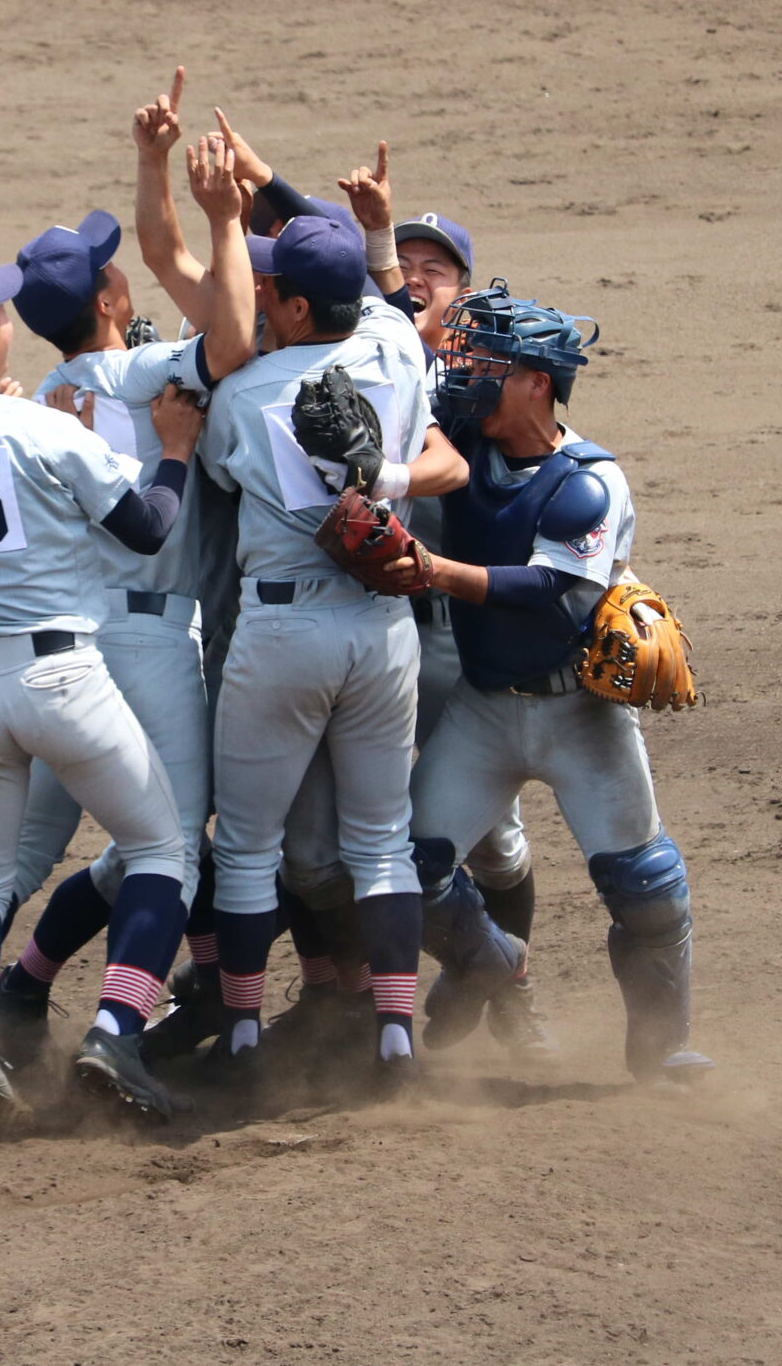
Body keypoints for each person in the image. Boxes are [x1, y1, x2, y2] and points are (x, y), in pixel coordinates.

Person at [0, 250, 202, 1121]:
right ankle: (116, 1026)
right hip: (63, 677)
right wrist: (171, 450)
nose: (11, 324)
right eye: (0, 314)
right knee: (162, 849)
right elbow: (146, 530)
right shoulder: (49, 429)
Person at [396, 284, 712, 1083]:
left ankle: (662, 1049)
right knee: (406, 870)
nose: (465, 378)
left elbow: (548, 590)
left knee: (643, 887)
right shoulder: (463, 434)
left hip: (579, 712)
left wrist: (434, 570)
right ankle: (489, 960)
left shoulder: (589, 484)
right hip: (482, 709)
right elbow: (391, 344)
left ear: (538, 380)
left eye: (488, 365)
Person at [0, 133, 257, 1067]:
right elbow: (230, 341)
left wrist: (155, 170)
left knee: (25, 860)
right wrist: (223, 219)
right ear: (110, 302)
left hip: (62, 652)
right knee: (173, 849)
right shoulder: (136, 375)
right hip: (147, 645)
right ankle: (118, 1030)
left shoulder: (42, 401)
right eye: (114, 270)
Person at [195, 205, 469, 1092]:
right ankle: (395, 1033)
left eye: (273, 288)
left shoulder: (240, 395)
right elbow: (393, 301)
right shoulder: (394, 345)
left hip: (282, 631)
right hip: (383, 623)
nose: (260, 298)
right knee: (381, 839)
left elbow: (218, 474)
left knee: (244, 845)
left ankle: (240, 1031)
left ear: (303, 308)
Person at [393, 211, 552, 1056]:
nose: (417, 276)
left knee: (492, 839)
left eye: (438, 268)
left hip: (459, 638)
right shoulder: (376, 364)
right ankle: (487, 964)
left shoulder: (488, 393)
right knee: (372, 833)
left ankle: (504, 983)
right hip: (377, 637)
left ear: (465, 294)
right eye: (403, 261)